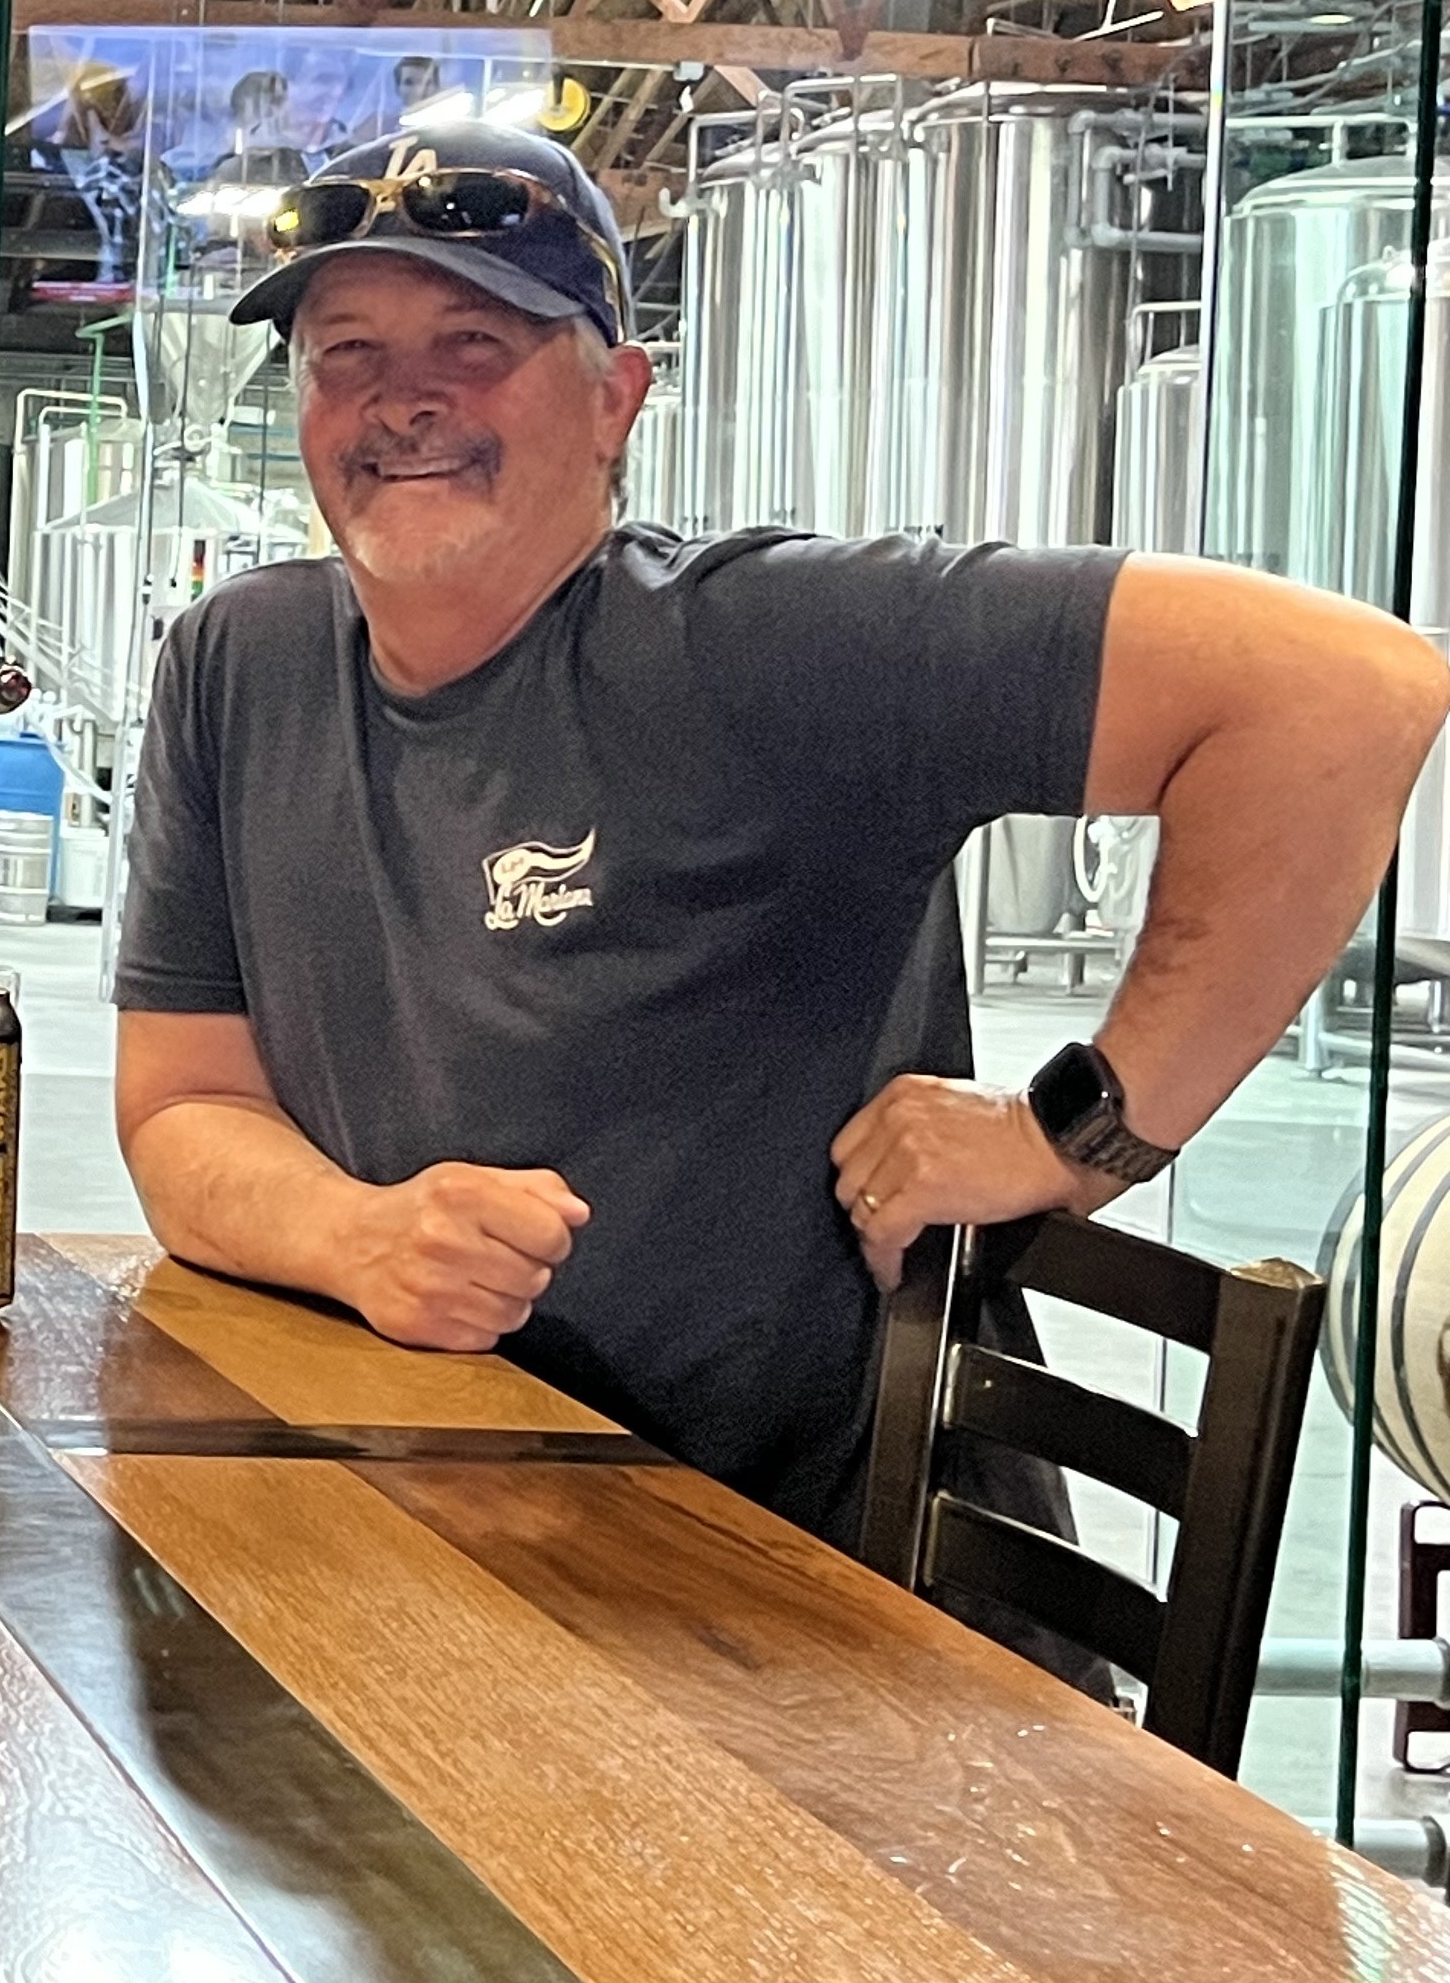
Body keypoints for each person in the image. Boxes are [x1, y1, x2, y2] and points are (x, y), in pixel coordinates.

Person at [111, 114, 1448, 1562]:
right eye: (346, 353)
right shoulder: (241, 667)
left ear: (616, 399)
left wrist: (1070, 1136)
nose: (401, 401)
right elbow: (184, 1108)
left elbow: (1345, 693)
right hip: (449, 1518)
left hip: (806, 1586)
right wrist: (361, 1240)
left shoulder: (761, 645)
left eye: (474, 343)